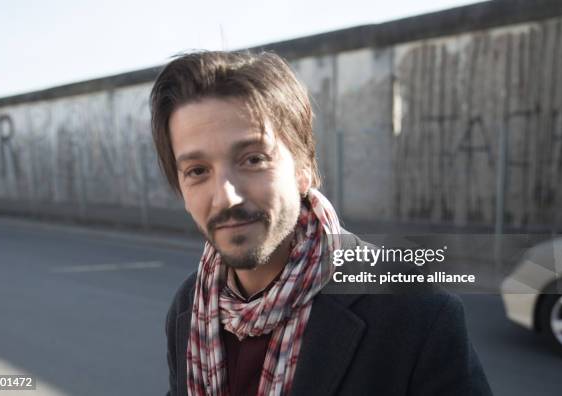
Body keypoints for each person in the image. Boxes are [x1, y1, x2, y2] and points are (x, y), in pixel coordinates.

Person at [150, 50, 492, 396]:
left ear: (304, 170)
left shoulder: (415, 311)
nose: (226, 197)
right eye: (197, 171)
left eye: (253, 159)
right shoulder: (190, 307)